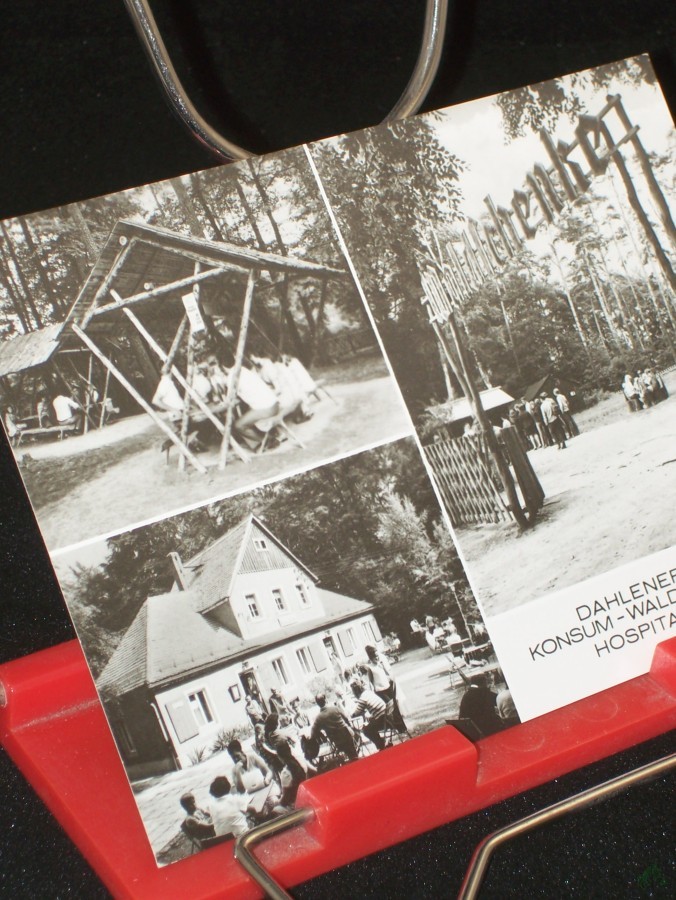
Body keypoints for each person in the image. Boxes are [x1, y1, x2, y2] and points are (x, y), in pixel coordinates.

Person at [363, 645, 408, 735]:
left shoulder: (380, 664)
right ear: (371, 658)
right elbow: (371, 682)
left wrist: (383, 666)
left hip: (388, 688)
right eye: (375, 656)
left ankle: (402, 728)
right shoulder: (370, 668)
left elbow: (387, 674)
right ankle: (393, 726)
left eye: (377, 655)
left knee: (395, 707)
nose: (377, 658)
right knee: (389, 708)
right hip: (380, 691)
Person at [263, 714, 306, 803]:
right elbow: (294, 739)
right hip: (288, 753)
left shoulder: (270, 735)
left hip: (281, 754)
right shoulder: (281, 732)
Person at [310, 693, 358, 760]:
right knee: (353, 753)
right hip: (347, 736)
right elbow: (346, 718)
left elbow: (313, 733)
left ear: (318, 704)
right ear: (325, 700)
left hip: (337, 742)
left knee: (349, 753)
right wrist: (350, 725)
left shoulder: (318, 718)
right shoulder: (335, 708)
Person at [349, 681, 387, 750]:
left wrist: (350, 715)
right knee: (370, 723)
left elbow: (356, 713)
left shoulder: (362, 698)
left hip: (382, 719)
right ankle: (381, 742)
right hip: (386, 715)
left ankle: (381, 745)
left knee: (366, 730)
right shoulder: (368, 692)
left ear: (356, 692)